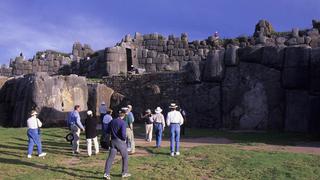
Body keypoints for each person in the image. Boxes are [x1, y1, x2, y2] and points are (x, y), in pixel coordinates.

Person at [104, 108, 131, 179]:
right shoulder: (123, 123)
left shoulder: (112, 121)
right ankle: (124, 173)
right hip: (120, 142)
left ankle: (106, 173)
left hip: (113, 141)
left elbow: (107, 131)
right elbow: (123, 134)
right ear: (124, 115)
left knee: (110, 158)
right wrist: (124, 139)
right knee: (125, 157)